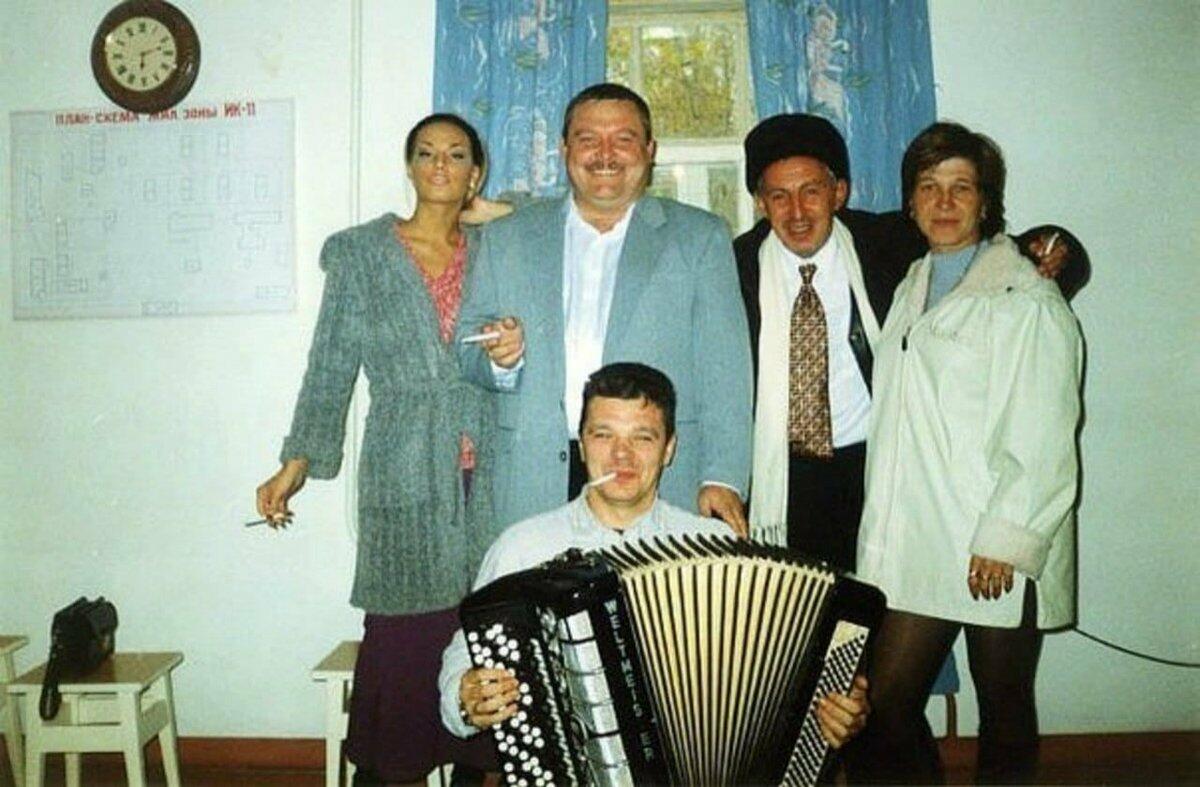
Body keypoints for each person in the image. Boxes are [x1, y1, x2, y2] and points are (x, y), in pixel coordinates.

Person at [254, 114, 506, 785]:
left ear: (476, 172)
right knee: (402, 642)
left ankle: (469, 766)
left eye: (457, 154)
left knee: (483, 633)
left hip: (489, 473)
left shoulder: (498, 248)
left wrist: (490, 210)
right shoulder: (363, 252)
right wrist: (295, 463)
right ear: (409, 166)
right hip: (404, 466)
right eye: (426, 153)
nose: (440, 164)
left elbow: (557, 215)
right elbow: (330, 364)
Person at [437, 362, 869, 752]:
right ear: (582, 445)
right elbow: (463, 657)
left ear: (669, 449)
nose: (621, 455)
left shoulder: (717, 547)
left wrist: (837, 707)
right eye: (603, 435)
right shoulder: (523, 546)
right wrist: (465, 696)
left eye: (642, 437)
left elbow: (786, 666)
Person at [734, 113, 1085, 570]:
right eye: (779, 196)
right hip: (778, 477)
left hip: (875, 467)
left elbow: (987, 252)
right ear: (760, 202)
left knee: (875, 605)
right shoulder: (733, 268)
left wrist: (1058, 249)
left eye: (812, 191)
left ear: (839, 192)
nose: (797, 212)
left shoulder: (886, 241)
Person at [851, 122, 1083, 784]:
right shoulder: (912, 283)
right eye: (929, 187)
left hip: (994, 538)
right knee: (886, 702)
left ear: (986, 201)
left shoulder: (1026, 297)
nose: (944, 202)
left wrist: (1005, 537)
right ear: (910, 201)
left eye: (961, 187)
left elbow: (1044, 430)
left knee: (1003, 707)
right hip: (923, 537)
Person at [455, 83, 753, 537]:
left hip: (657, 478)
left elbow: (726, 372)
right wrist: (500, 360)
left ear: (649, 151)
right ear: (564, 150)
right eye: (588, 139)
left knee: (650, 587)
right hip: (535, 479)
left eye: (623, 139)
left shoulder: (700, 237)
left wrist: (723, 477)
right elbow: (466, 345)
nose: (605, 154)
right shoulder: (507, 237)